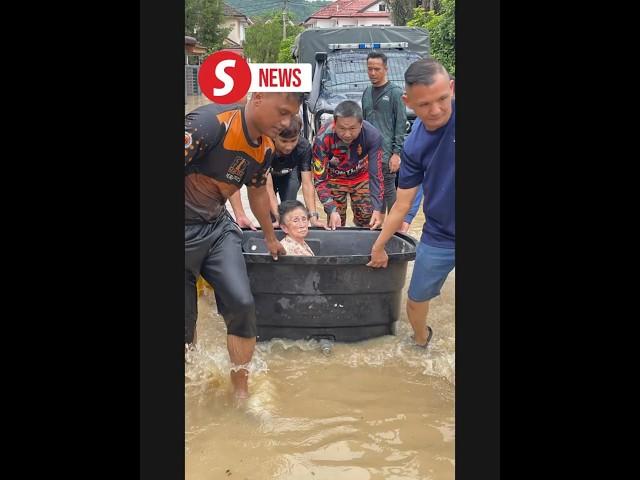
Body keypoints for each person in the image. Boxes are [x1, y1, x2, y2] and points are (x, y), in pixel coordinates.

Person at [184, 92, 302, 399]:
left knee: (242, 304)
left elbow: (258, 192)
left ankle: (240, 395)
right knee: (184, 324)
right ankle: (191, 386)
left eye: (292, 115)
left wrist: (270, 237)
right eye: (283, 112)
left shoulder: (264, 148)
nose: (287, 122)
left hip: (218, 228)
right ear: (258, 98)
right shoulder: (210, 125)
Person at [367, 58, 455, 349]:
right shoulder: (414, 145)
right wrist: (380, 245)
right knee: (415, 302)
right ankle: (421, 343)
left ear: (451, 88)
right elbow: (402, 205)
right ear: (408, 102)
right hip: (440, 234)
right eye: (425, 104)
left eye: (442, 99)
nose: (436, 110)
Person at [312, 100, 385, 230]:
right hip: (334, 178)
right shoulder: (322, 138)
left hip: (361, 176)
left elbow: (377, 175)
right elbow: (319, 180)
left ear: (361, 124)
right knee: (336, 222)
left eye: (352, 129)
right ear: (334, 124)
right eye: (342, 129)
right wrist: (331, 208)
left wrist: (378, 208)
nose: (347, 134)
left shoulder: (373, 136)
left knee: (368, 219)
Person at [361, 51, 407, 213]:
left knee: (388, 190)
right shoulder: (366, 92)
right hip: (367, 153)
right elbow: (362, 124)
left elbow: (401, 124)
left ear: (386, 69)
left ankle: (395, 230)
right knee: (370, 191)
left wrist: (397, 153)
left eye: (377, 69)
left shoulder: (395, 93)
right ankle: (376, 228)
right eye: (369, 69)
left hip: (387, 153)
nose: (373, 73)